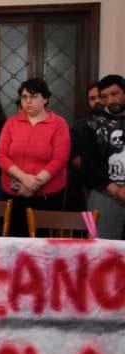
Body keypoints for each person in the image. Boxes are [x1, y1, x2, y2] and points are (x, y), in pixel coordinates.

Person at [0, 78, 70, 237]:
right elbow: (1, 156)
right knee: (14, 241)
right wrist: (24, 179)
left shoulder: (58, 123)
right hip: (14, 192)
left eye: (34, 96)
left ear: (46, 99)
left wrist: (33, 184)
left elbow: (60, 159)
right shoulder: (11, 122)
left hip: (47, 195)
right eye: (24, 97)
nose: (28, 101)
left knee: (43, 245)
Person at [83, 74, 125, 239]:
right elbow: (89, 165)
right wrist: (116, 189)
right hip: (104, 194)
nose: (110, 100)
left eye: (115, 94)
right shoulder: (92, 125)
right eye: (104, 96)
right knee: (100, 249)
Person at [67, 83, 105, 211]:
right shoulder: (80, 126)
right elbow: (76, 161)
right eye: (92, 98)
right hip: (85, 189)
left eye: (101, 96)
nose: (97, 101)